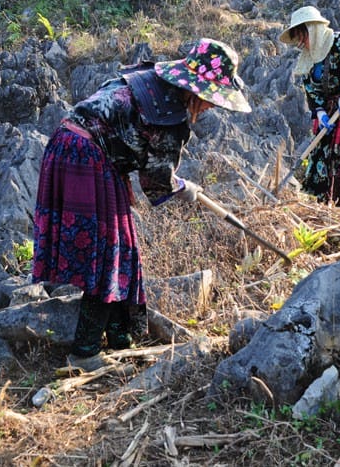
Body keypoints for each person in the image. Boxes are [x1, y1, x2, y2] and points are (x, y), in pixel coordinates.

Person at [31, 38, 251, 370]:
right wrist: (183, 187)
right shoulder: (171, 116)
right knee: (108, 256)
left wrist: (174, 182)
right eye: (211, 100)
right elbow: (156, 179)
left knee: (121, 249)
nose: (211, 108)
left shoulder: (147, 78)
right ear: (196, 91)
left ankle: (120, 337)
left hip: (65, 146)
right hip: (91, 159)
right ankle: (85, 352)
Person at [279, 5, 340, 206]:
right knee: (322, 158)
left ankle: (337, 204)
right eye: (298, 40)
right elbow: (310, 87)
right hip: (328, 112)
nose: (301, 44)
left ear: (312, 30)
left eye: (302, 37)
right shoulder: (308, 57)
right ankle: (323, 203)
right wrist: (320, 112)